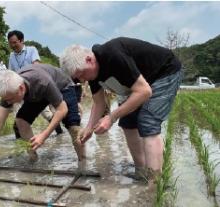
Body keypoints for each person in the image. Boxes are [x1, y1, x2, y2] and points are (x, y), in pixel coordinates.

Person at [60, 37, 182, 184]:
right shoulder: (91, 73)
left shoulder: (113, 55)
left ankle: (154, 184)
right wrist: (89, 128)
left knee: (147, 121)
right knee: (128, 122)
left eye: (81, 74)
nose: (82, 80)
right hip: (142, 83)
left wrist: (111, 118)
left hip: (164, 72)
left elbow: (144, 92)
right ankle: (141, 171)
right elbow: (99, 103)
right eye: (78, 78)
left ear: (89, 60)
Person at [0, 64, 86, 172]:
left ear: (21, 89)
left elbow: (62, 109)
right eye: (6, 100)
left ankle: (82, 163)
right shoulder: (9, 90)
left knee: (73, 127)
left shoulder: (42, 81)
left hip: (62, 85)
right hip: (37, 94)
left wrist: (43, 136)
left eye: (10, 100)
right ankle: (34, 160)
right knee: (21, 121)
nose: (9, 103)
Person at [7, 30, 63, 135]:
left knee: (47, 114)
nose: (12, 45)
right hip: (19, 91)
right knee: (18, 121)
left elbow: (37, 66)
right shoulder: (11, 56)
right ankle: (22, 146)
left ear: (21, 40)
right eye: (10, 43)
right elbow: (11, 73)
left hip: (35, 89)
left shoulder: (31, 50)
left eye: (15, 42)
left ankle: (60, 135)